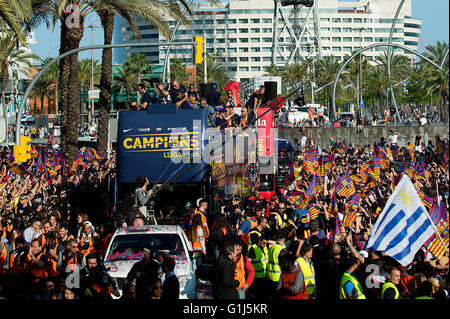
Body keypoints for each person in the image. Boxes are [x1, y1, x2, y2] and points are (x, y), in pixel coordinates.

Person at [247, 235, 269, 299]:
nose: (265, 244)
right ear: (259, 241)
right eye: (263, 243)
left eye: (266, 243)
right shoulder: (253, 248)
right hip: (256, 277)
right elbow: (248, 263)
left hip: (264, 276)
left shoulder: (264, 247)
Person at [267, 229, 288, 297]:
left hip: (270, 275)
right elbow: (285, 264)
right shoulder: (281, 250)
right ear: (284, 239)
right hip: (278, 277)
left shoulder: (272, 248)